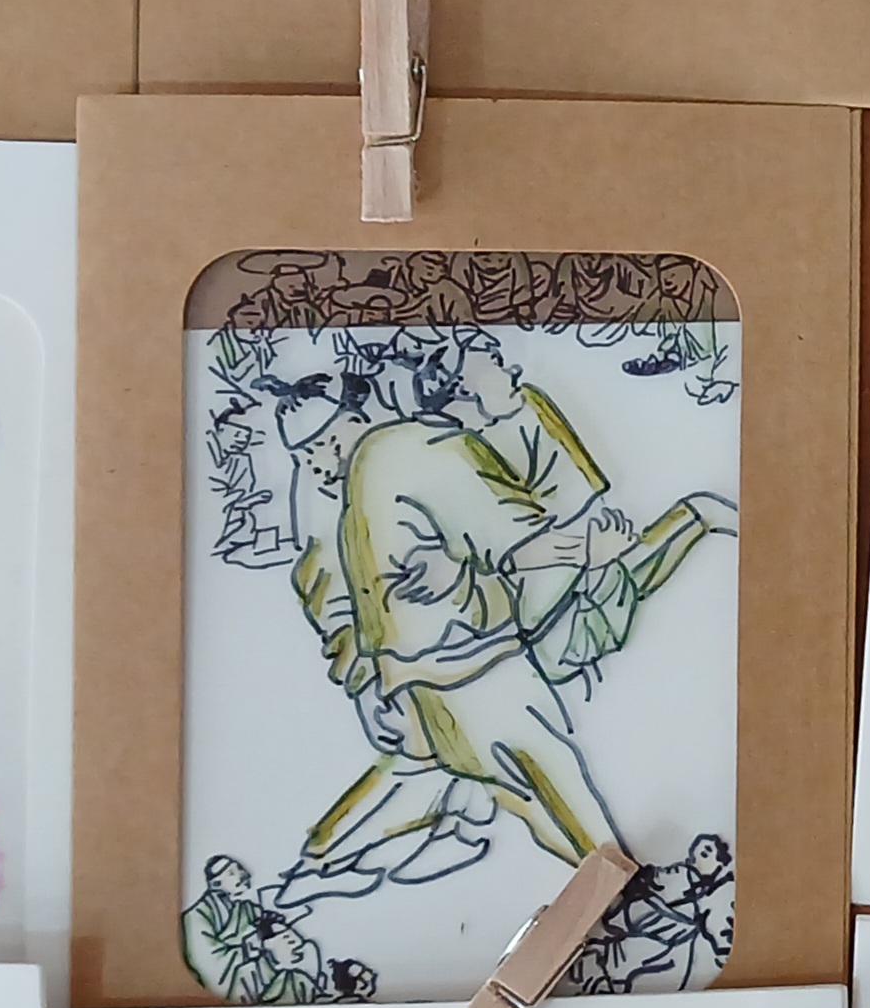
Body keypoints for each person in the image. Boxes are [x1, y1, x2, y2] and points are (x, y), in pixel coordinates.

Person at [263, 330, 737, 909]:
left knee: (513, 789)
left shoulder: (405, 450)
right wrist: (585, 550)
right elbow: (511, 544)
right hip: (469, 661)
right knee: (544, 771)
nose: (312, 464)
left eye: (315, 448)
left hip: (450, 659)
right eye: (304, 454)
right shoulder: (401, 453)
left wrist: (375, 670)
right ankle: (628, 890)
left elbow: (527, 524)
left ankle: (318, 863)